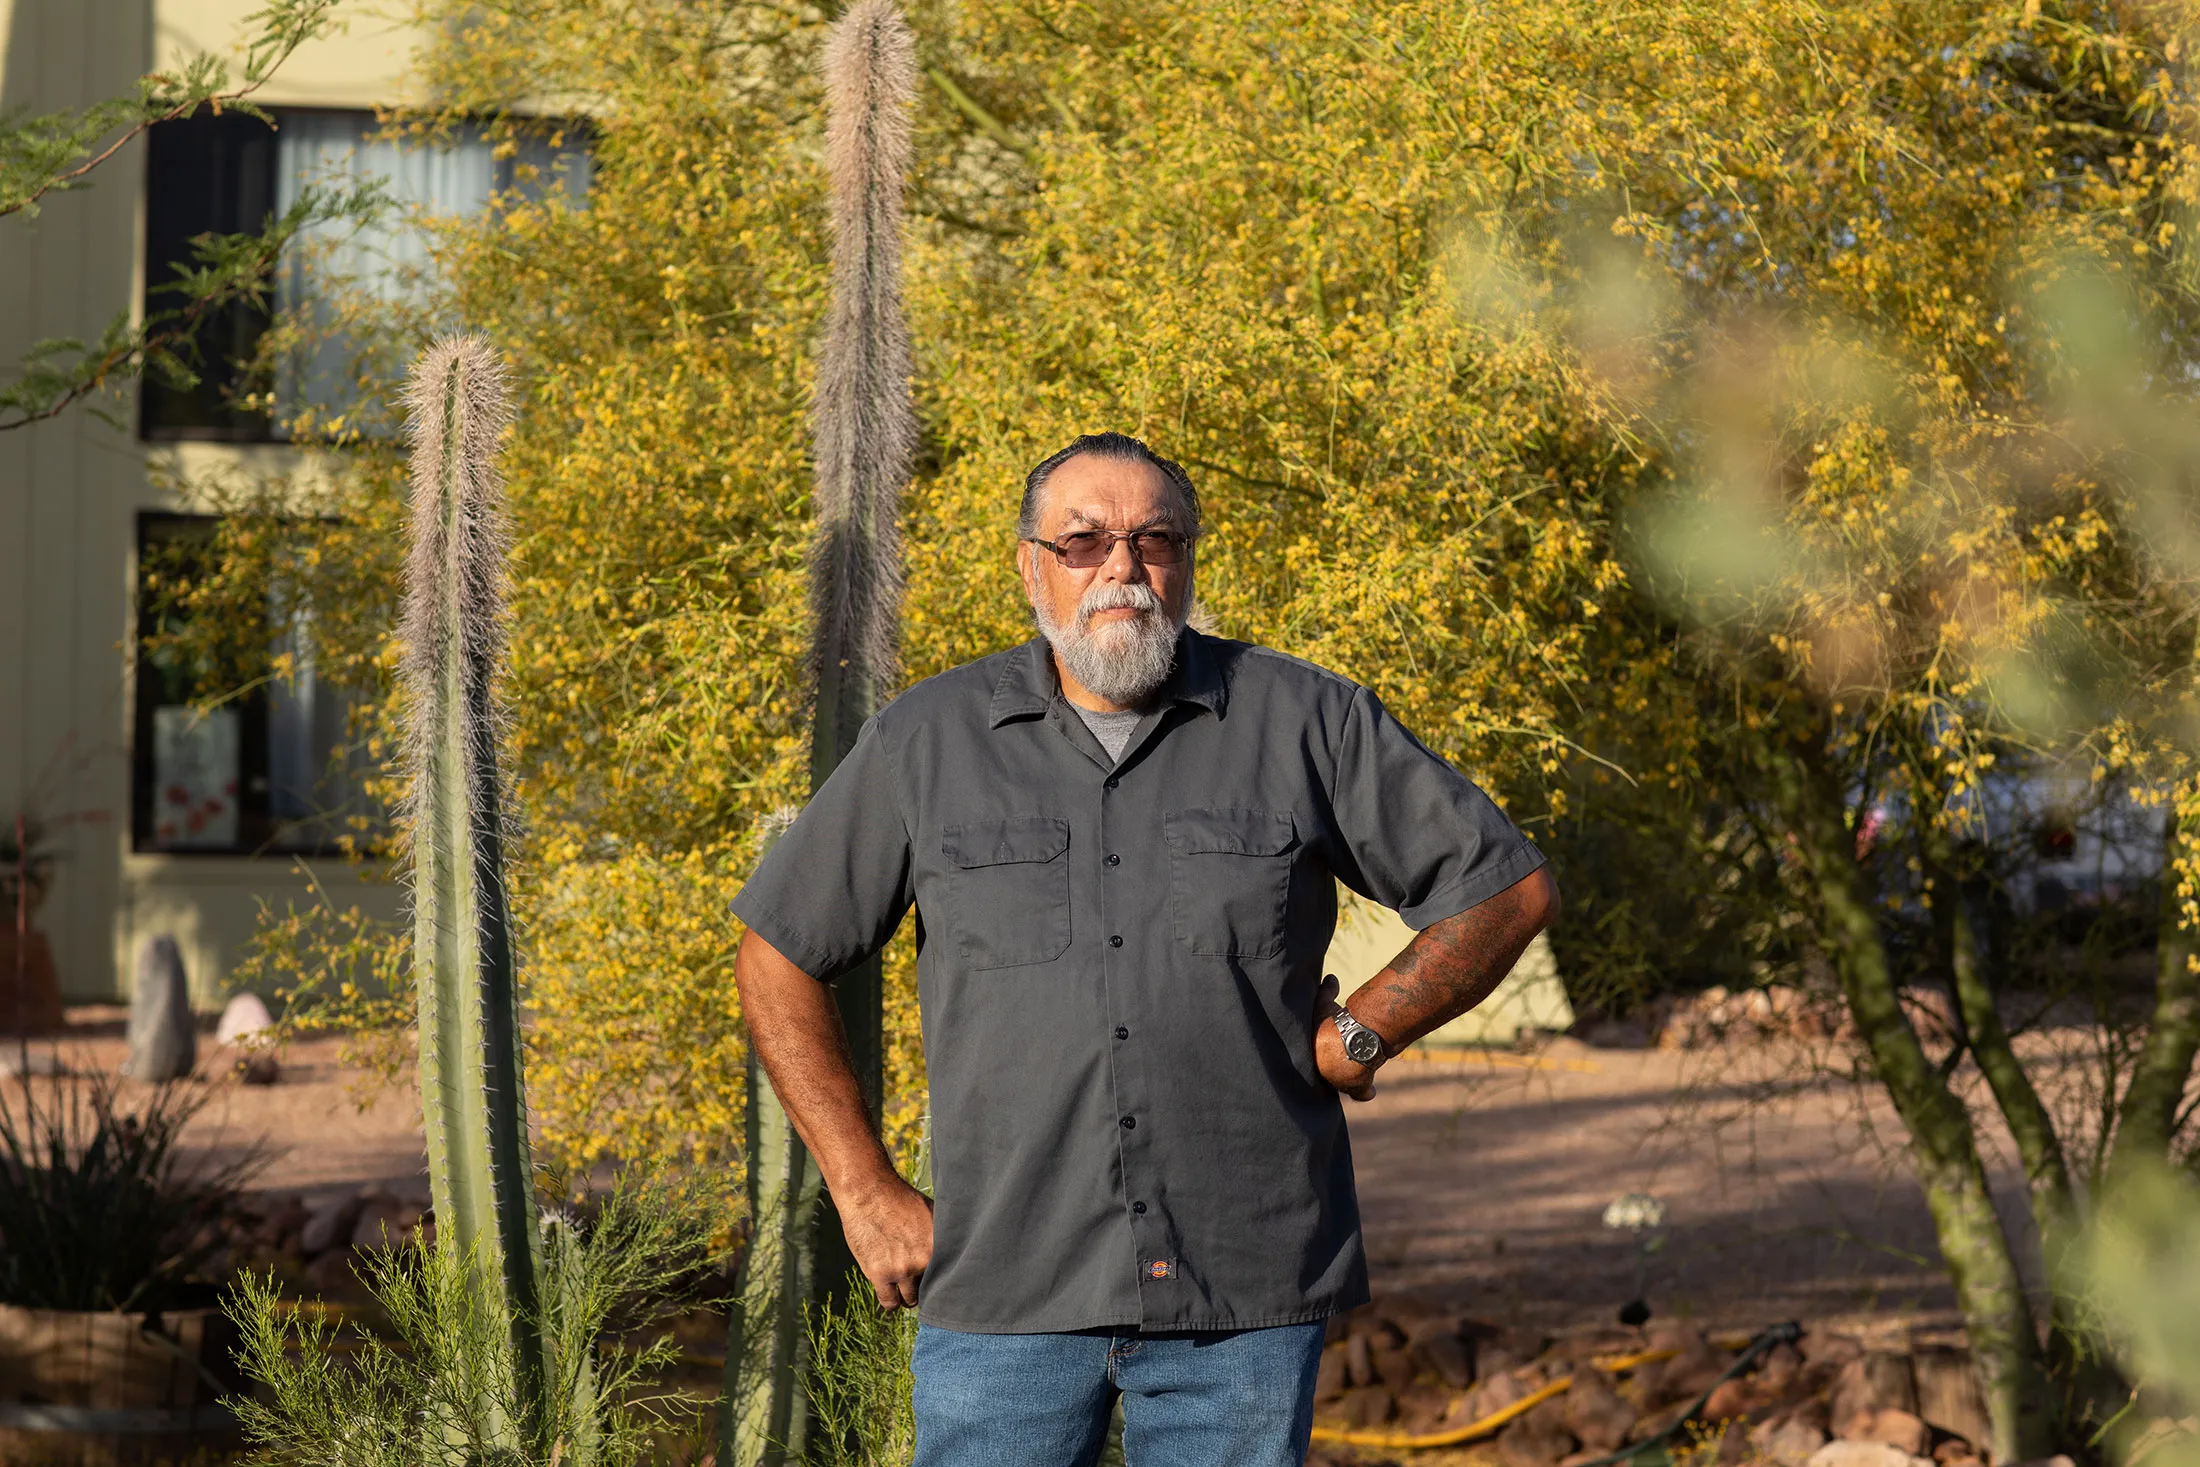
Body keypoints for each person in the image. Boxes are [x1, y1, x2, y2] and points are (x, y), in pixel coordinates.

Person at [733, 431, 1560, 1467]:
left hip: (1243, 1286)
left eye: (1152, 539)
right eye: (1083, 541)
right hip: (1005, 1288)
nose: (1121, 567)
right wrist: (863, 1192)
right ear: (1031, 564)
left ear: (1187, 561)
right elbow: (778, 952)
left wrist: (1362, 1030)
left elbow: (1502, 891)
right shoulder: (926, 742)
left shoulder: (1305, 720)